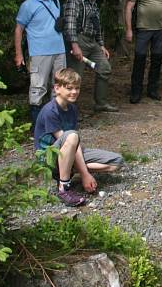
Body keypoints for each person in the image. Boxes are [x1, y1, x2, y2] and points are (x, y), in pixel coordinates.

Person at [34, 69, 124, 207]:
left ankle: (69, 170)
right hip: (49, 157)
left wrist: (84, 172)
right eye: (69, 88)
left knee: (116, 162)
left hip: (69, 150)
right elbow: (69, 140)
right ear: (57, 88)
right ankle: (64, 188)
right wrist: (85, 174)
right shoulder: (50, 111)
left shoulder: (72, 108)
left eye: (77, 88)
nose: (74, 92)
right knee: (72, 135)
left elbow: (73, 145)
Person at [14, 0, 67, 130]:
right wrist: (19, 54)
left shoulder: (56, 1)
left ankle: (55, 124)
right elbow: (19, 29)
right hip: (39, 53)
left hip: (59, 51)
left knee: (59, 87)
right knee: (38, 89)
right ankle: (38, 128)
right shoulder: (28, 5)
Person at [62, 0, 118, 112]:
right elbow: (69, 26)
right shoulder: (74, 1)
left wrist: (101, 45)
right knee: (75, 77)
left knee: (104, 68)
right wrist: (74, 46)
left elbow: (97, 27)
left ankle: (101, 103)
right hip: (78, 40)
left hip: (92, 42)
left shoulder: (94, 4)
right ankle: (69, 111)